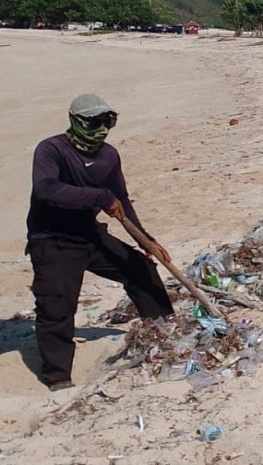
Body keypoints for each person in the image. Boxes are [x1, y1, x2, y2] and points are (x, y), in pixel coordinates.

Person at [26, 94, 174, 391]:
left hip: (90, 235)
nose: (102, 129)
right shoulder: (51, 150)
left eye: (108, 121)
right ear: (75, 121)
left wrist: (146, 240)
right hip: (53, 240)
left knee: (140, 269)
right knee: (57, 306)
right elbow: (46, 190)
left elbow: (121, 200)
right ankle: (57, 376)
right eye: (94, 122)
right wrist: (100, 197)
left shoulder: (108, 156)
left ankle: (165, 330)